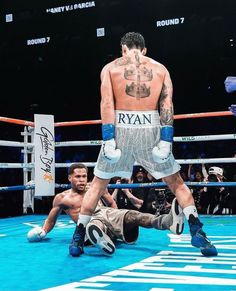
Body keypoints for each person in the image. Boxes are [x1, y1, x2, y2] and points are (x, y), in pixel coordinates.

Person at [70, 32, 217, 257]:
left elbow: (107, 102)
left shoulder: (110, 68)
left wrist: (108, 138)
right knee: (176, 183)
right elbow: (167, 105)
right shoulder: (161, 69)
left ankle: (78, 238)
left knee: (98, 184)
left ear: (123, 49)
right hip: (152, 127)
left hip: (120, 128)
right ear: (144, 49)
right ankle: (197, 231)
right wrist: (166, 140)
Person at [27, 163, 184, 256]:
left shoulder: (96, 188)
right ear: (69, 178)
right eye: (77, 177)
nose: (82, 180)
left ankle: (167, 221)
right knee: (93, 224)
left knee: (134, 215)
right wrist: (43, 233)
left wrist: (119, 215)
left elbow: (111, 204)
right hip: (89, 223)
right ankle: (100, 237)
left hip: (107, 215)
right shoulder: (62, 198)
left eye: (84, 176)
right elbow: (51, 219)